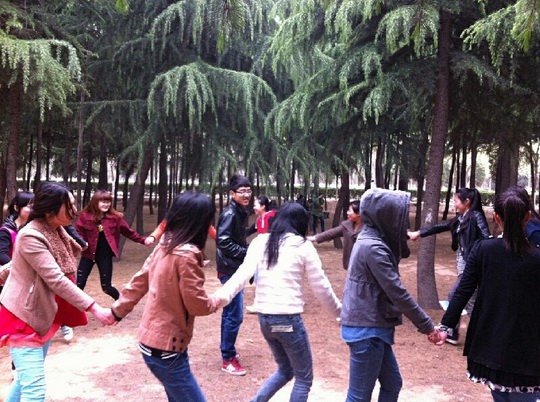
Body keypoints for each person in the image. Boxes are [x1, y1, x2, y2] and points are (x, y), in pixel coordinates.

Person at [213, 202, 342, 402]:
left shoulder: (260, 242)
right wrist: (341, 313)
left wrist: (220, 297)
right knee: (304, 378)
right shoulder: (302, 245)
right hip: (288, 321)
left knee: (285, 370)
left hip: (266, 320)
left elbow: (241, 276)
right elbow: (321, 287)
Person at [0, 181, 112, 402]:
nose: (74, 210)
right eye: (69, 206)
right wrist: (94, 307)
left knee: (24, 382)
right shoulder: (31, 235)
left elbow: (24, 263)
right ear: (50, 210)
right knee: (35, 390)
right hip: (24, 318)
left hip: (44, 314)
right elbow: (56, 279)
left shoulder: (56, 231)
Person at [108, 191, 218, 402]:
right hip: (167, 349)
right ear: (201, 222)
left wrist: (117, 311)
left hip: (151, 342)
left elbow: (139, 281)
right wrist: (219, 299)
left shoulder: (166, 245)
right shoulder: (187, 255)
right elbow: (198, 306)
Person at [435, 186, 540, 402]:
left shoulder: (483, 250)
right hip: (528, 347)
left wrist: (445, 327)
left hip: (491, 344)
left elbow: (463, 291)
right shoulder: (536, 257)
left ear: (496, 217)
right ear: (528, 217)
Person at [342, 188, 439, 402]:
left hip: (372, 328)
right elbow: (398, 293)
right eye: (398, 218)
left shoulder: (372, 240)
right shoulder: (373, 248)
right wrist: (428, 326)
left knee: (392, 384)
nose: (402, 224)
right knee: (358, 397)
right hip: (366, 331)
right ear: (384, 216)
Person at [408, 187, 490, 344]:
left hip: (472, 267)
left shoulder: (476, 216)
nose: (454, 204)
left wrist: (477, 258)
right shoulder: (461, 218)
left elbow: (486, 239)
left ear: (467, 202)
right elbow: (441, 226)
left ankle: (460, 332)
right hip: (464, 266)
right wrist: (419, 233)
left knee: (456, 295)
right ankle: (478, 334)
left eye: (456, 201)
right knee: (471, 302)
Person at [75, 190, 152, 302]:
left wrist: (143, 240)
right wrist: (82, 242)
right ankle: (72, 310)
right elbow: (77, 232)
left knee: (107, 287)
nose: (106, 204)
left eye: (108, 202)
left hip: (105, 256)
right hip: (88, 255)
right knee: (79, 285)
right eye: (103, 202)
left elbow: (128, 232)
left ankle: (121, 304)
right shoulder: (85, 217)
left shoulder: (115, 218)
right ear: (95, 202)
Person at [216, 174, 252, 376]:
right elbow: (223, 242)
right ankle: (228, 359)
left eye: (248, 190)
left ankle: (227, 350)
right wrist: (247, 253)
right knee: (235, 315)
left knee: (230, 312)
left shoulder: (239, 212)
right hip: (229, 269)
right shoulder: (230, 213)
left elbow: (236, 238)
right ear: (232, 193)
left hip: (234, 268)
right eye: (242, 191)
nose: (246, 194)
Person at [307, 200, 361, 270]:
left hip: (364, 267)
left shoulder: (369, 229)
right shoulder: (347, 225)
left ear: (359, 213)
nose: (347, 212)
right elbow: (331, 233)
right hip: (350, 266)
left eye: (350, 211)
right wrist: (314, 238)